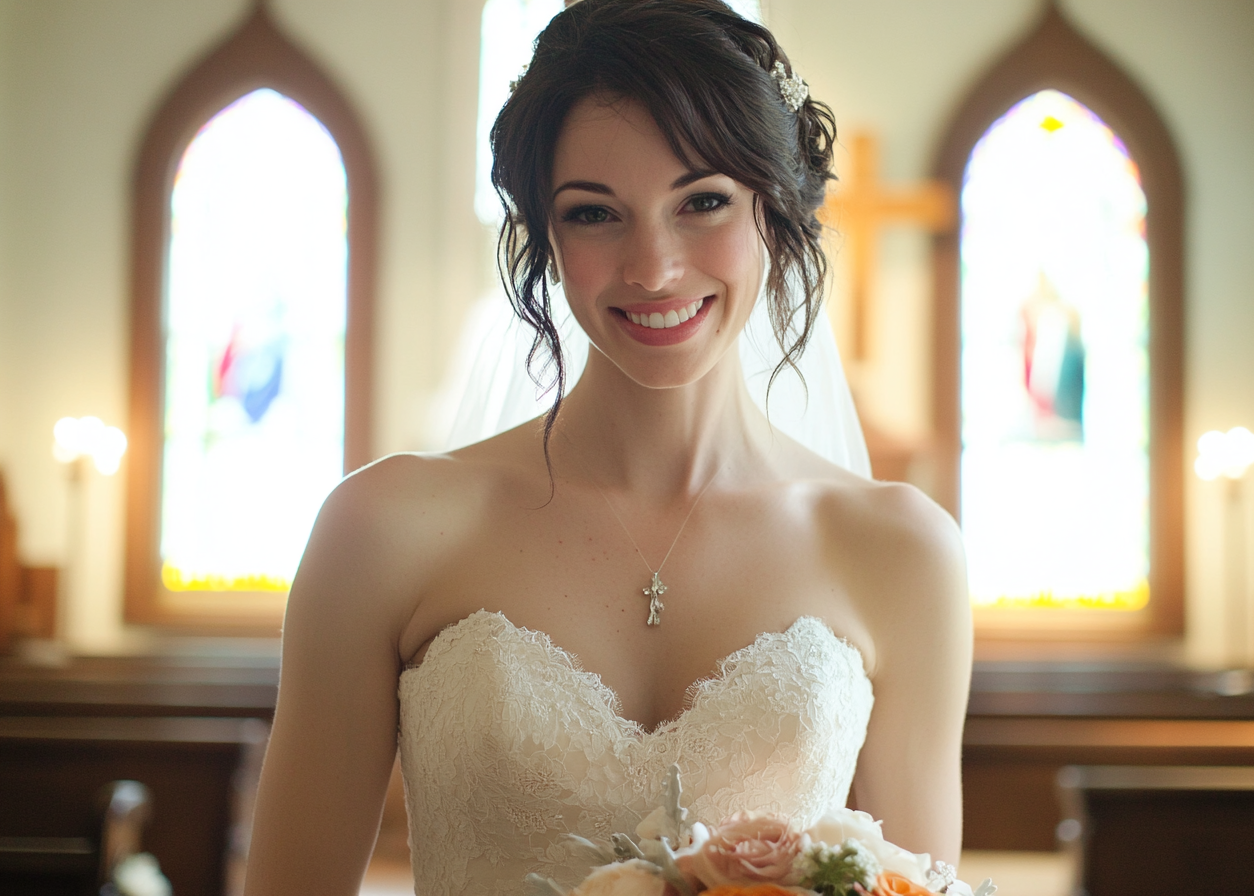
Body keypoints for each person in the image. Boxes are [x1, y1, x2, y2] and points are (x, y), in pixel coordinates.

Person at [243, 1, 971, 894]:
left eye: (702, 201)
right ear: (545, 236)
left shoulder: (900, 551)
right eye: (595, 215)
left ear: (774, 216)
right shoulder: (384, 528)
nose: (654, 268)